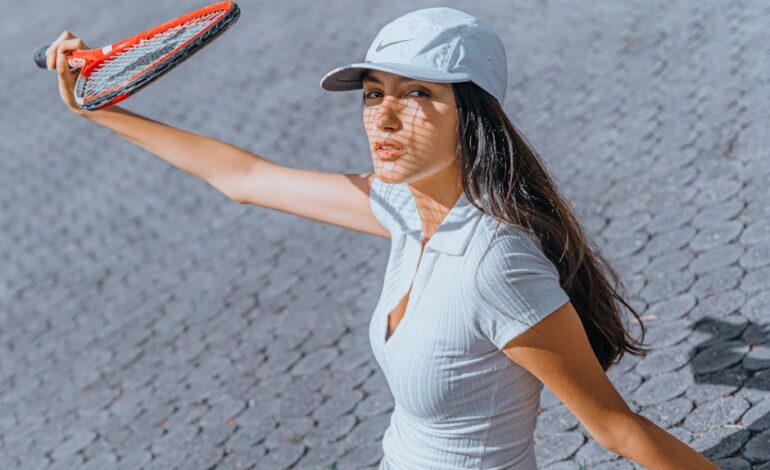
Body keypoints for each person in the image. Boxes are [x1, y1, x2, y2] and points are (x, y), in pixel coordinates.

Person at [46, 6, 719, 469]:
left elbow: (618, 429)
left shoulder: (496, 263)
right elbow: (243, 176)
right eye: (373, 95)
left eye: (418, 95)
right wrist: (95, 107)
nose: (385, 117)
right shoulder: (403, 209)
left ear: (471, 116)